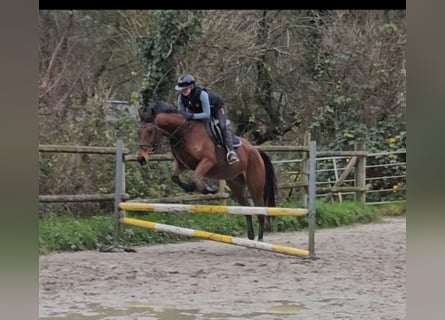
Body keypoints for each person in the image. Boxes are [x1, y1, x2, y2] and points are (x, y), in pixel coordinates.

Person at [175, 74, 240, 165]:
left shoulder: (202, 95)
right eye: (182, 89)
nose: (183, 91)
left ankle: (231, 152)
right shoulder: (181, 98)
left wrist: (192, 116)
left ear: (192, 87)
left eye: (185, 89)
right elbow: (182, 114)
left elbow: (207, 115)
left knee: (222, 126)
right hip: (199, 112)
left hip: (217, 109)